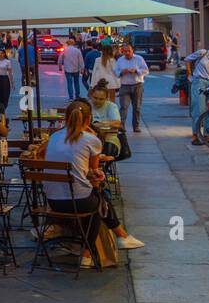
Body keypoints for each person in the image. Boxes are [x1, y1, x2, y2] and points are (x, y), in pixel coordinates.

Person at [41, 100, 144, 268]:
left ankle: (120, 237)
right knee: (98, 205)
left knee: (98, 201)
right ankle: (92, 252)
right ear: (88, 120)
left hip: (53, 200)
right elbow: (93, 171)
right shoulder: (91, 140)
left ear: (66, 118)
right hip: (78, 201)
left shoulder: (53, 137)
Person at [114, 43, 149, 133]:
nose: (127, 53)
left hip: (137, 85)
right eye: (125, 51)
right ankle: (121, 125)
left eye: (128, 51)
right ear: (122, 52)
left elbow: (146, 70)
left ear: (132, 51)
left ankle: (136, 126)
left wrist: (136, 71)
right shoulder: (120, 60)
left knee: (137, 107)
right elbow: (116, 71)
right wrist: (122, 72)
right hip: (125, 86)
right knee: (124, 107)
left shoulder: (139, 59)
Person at [87, 82, 123, 158]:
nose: (97, 101)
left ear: (106, 98)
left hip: (108, 137)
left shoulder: (111, 106)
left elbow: (117, 123)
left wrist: (100, 125)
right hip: (88, 138)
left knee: (108, 148)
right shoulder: (87, 105)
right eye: (95, 98)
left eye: (101, 99)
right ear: (91, 96)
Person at [60, 37, 86, 102]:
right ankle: (77, 95)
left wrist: (60, 66)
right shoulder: (77, 50)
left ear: (68, 44)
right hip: (76, 69)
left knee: (69, 83)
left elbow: (60, 58)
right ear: (74, 43)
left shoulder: (65, 50)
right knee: (76, 82)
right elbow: (81, 60)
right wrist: (82, 68)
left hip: (67, 69)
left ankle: (71, 97)